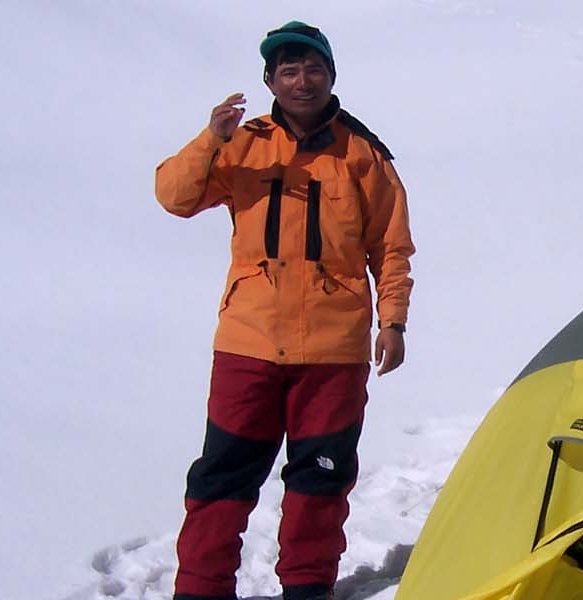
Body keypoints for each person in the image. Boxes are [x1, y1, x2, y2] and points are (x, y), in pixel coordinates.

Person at [154, 20, 415, 600]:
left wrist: (391, 321)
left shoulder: (365, 155)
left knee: (320, 478)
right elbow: (175, 198)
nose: (303, 81)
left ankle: (306, 587)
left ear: (331, 76)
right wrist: (211, 138)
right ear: (271, 79)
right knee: (223, 474)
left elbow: (391, 248)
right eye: (289, 71)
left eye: (313, 69)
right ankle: (200, 587)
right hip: (248, 342)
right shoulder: (242, 143)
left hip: (334, 347)